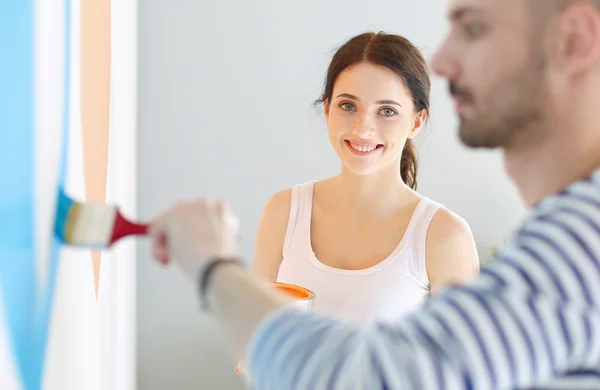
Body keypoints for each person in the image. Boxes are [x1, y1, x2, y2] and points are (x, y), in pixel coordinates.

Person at [149, 0, 600, 388]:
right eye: (348, 105)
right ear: (326, 109)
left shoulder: (581, 243)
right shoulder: (566, 238)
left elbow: (366, 379)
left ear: (575, 40)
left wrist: (214, 268)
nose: (440, 60)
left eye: (475, 27)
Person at [252, 31, 479, 328]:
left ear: (416, 121)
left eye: (387, 111)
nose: (363, 129)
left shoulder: (445, 236)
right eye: (348, 106)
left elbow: (465, 367)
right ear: (327, 109)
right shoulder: (283, 212)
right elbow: (251, 339)